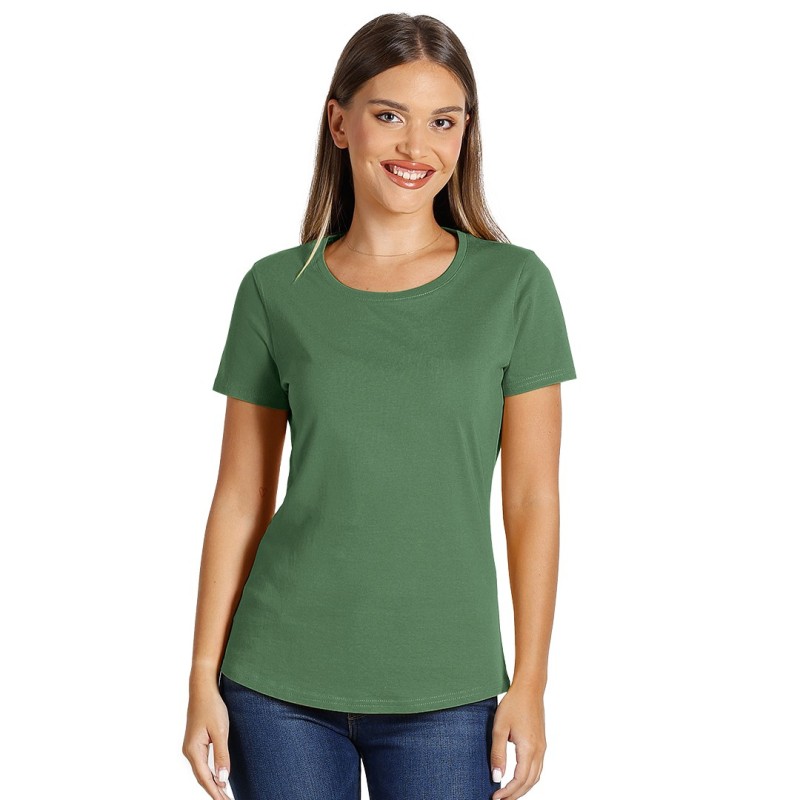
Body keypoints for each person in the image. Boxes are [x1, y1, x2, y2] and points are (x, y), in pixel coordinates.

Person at [182, 12, 577, 800]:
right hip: (275, 682)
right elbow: (239, 499)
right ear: (340, 123)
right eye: (390, 115)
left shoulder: (515, 286)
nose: (416, 146)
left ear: (465, 134)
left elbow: (532, 499)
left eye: (443, 122)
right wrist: (200, 677)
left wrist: (530, 682)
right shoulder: (275, 289)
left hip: (448, 686)